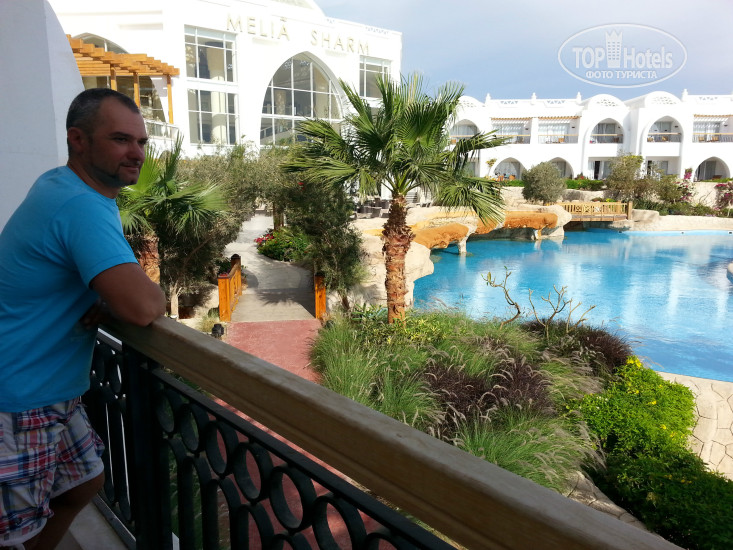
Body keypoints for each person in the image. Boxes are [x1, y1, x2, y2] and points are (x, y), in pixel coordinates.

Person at [0, 88, 166, 549]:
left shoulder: (59, 183)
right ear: (78, 139)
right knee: (15, 534)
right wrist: (150, 295)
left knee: (82, 482)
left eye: (141, 142)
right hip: (19, 395)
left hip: (47, 387)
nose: (136, 153)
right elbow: (142, 307)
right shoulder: (81, 206)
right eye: (120, 139)